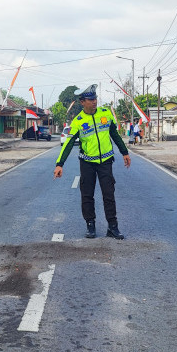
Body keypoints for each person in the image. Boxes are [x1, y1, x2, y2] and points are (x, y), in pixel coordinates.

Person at [53, 84, 131, 239]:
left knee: (109, 194)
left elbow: (114, 135)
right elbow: (68, 144)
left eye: (95, 98)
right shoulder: (78, 121)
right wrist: (59, 164)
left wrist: (125, 152)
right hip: (87, 163)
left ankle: (113, 227)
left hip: (106, 162)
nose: (94, 102)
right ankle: (90, 225)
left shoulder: (105, 113)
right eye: (90, 99)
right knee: (87, 195)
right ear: (82, 102)